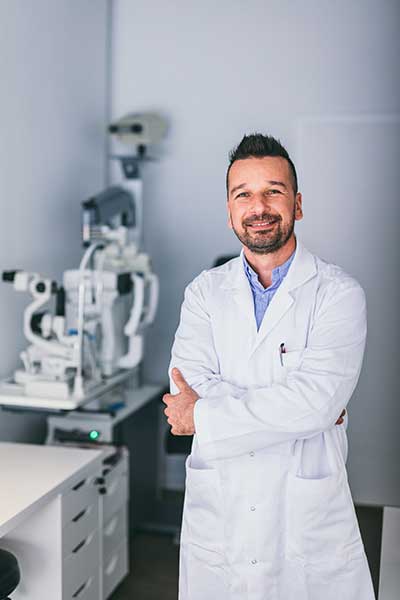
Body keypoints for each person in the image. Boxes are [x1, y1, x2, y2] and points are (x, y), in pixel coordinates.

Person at [163, 134, 375, 600]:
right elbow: (187, 383)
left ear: (296, 204)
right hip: (222, 509)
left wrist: (203, 415)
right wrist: (294, 408)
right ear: (229, 210)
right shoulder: (204, 292)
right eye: (243, 194)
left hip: (305, 518)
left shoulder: (338, 294)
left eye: (273, 192)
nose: (258, 207)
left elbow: (315, 405)